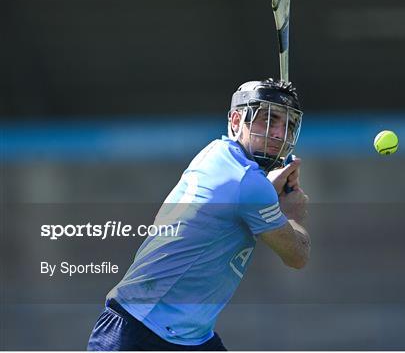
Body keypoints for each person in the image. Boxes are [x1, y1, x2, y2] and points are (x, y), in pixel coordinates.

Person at [87, 78, 311, 351]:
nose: (279, 134)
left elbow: (243, 195)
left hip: (191, 337)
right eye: (269, 120)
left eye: (288, 125)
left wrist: (268, 191)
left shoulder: (217, 154)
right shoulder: (247, 182)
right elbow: (297, 256)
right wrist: (291, 213)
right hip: (140, 332)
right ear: (237, 120)